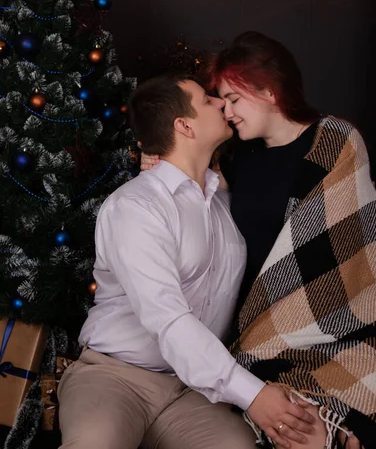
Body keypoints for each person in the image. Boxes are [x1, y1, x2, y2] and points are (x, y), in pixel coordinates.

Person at [141, 32, 376, 449]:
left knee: (373, 402)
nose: (226, 111)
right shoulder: (238, 157)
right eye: (219, 101)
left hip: (345, 319)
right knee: (299, 427)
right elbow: (192, 186)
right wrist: (159, 159)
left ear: (268, 90)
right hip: (265, 331)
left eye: (233, 99)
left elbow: (353, 238)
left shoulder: (334, 141)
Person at [57, 72, 316, 449]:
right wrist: (254, 394)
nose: (222, 104)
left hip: (193, 389)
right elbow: (168, 319)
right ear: (184, 126)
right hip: (115, 376)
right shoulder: (136, 207)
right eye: (209, 101)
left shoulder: (226, 206)